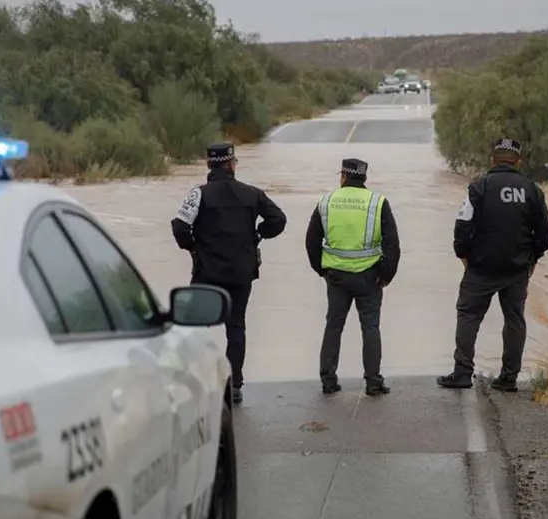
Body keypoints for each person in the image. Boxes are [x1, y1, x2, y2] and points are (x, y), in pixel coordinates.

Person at [171, 142, 287, 405]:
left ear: (208, 165)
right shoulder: (252, 194)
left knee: (197, 327)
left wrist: (193, 248)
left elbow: (179, 227)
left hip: (206, 272)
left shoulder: (198, 194)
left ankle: (198, 381)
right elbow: (278, 220)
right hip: (241, 273)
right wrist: (258, 235)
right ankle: (234, 385)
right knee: (236, 326)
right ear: (232, 164)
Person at [436, 138, 548, 392]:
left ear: (492, 160)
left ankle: (462, 373)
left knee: (468, 316)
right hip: (517, 268)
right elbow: (545, 231)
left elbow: (462, 225)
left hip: (481, 267)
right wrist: (533, 258)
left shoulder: (479, 187)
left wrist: (463, 255)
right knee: (514, 320)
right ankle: (509, 377)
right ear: (518, 162)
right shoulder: (532, 190)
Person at [305, 158, 401, 397]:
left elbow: (311, 241)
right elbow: (392, 244)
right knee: (371, 327)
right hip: (370, 277)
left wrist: (321, 270)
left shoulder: (326, 201)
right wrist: (386, 275)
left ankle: (328, 381)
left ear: (344, 177)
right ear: (364, 177)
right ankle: (373, 382)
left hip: (336, 277)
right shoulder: (377, 202)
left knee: (333, 325)